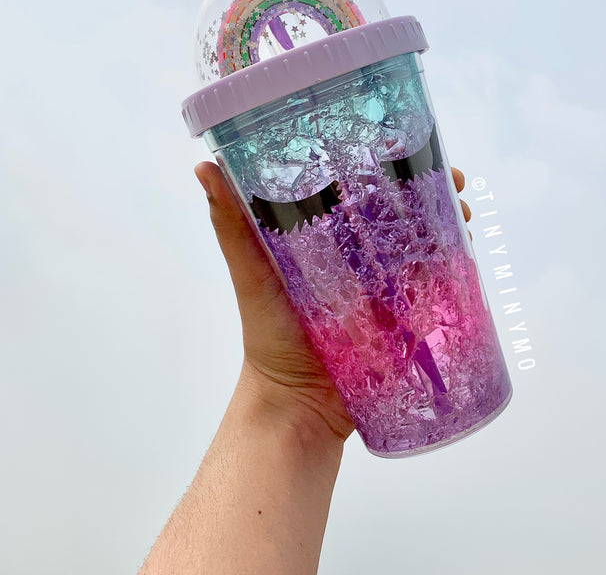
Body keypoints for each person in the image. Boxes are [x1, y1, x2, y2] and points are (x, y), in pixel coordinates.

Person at [138, 162, 472, 575]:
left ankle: (440, 393)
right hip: (375, 306)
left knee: (418, 336)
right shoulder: (339, 222)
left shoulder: (358, 213)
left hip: (389, 301)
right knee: (414, 339)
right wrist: (293, 393)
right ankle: (439, 393)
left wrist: (290, 398)